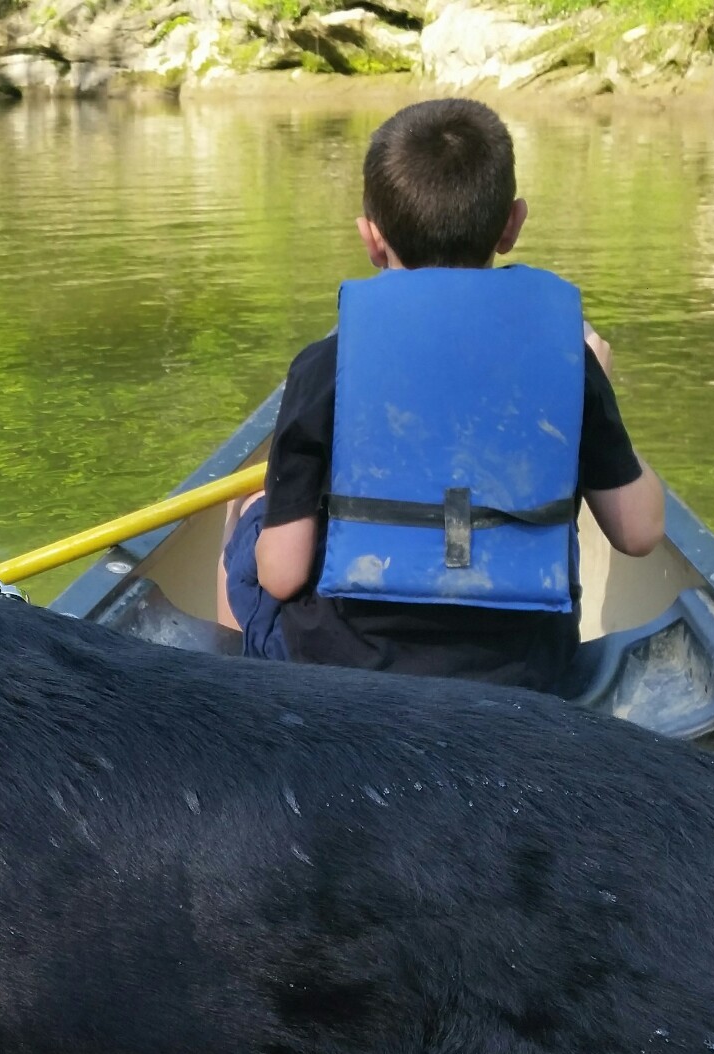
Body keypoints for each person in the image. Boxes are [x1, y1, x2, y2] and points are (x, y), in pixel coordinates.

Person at [218, 97, 664, 693]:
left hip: (346, 668)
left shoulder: (324, 366)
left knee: (247, 522)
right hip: (525, 673)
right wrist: (596, 391)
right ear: (512, 224)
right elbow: (639, 533)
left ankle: (238, 692)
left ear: (371, 239)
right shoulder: (566, 365)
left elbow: (281, 575)